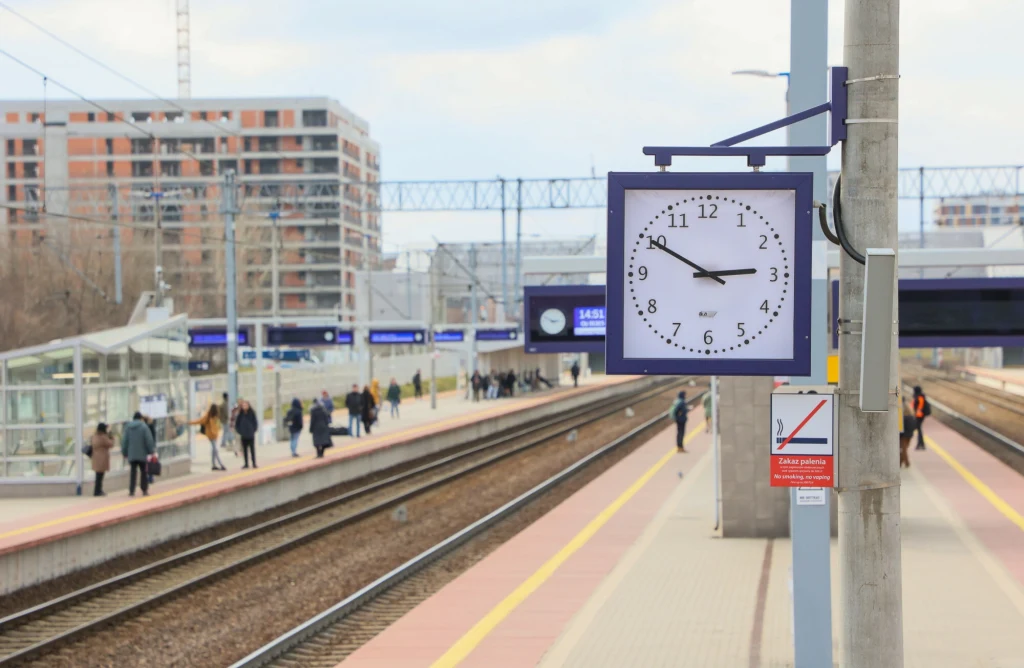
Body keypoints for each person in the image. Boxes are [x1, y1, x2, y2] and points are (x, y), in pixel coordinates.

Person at [122, 412, 156, 495]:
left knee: (133, 473)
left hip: (132, 454)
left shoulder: (128, 428)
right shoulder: (144, 427)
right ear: (140, 418)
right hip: (142, 454)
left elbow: (124, 441)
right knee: (144, 472)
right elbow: (149, 440)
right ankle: (144, 490)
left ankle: (131, 491)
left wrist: (124, 452)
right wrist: (151, 451)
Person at [192, 404, 226, 471]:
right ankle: (221, 464)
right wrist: (190, 422)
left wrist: (217, 432)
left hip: (215, 436)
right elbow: (200, 421)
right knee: (215, 450)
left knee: (214, 450)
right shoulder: (208, 416)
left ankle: (214, 465)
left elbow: (218, 426)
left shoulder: (216, 417)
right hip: (210, 436)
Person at [89, 422, 114, 497]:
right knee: (100, 476)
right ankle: (98, 491)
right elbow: (110, 444)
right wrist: (111, 438)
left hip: (96, 458)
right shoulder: (103, 437)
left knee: (98, 475)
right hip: (102, 458)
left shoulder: (94, 436)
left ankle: (97, 490)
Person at [235, 399, 259, 469]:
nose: (244, 406)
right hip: (243, 435)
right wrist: (240, 431)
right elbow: (237, 424)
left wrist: (253, 430)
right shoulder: (240, 414)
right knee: (244, 449)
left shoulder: (252, 413)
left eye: (246, 405)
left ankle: (254, 463)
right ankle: (246, 463)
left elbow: (255, 422)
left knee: (252, 449)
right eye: (243, 405)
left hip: (250, 434)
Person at [899, 399, 916, 469]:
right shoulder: (912, 417)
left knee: (903, 449)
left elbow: (901, 428)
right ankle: (900, 462)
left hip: (903, 436)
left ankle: (907, 463)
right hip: (910, 435)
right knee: (904, 449)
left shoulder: (903, 418)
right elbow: (914, 426)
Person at [912, 385, 930, 451]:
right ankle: (920, 444)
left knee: (918, 429)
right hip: (919, 416)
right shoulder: (919, 396)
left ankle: (920, 444)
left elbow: (919, 407)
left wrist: (916, 415)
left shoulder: (920, 397)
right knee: (919, 429)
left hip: (919, 416)